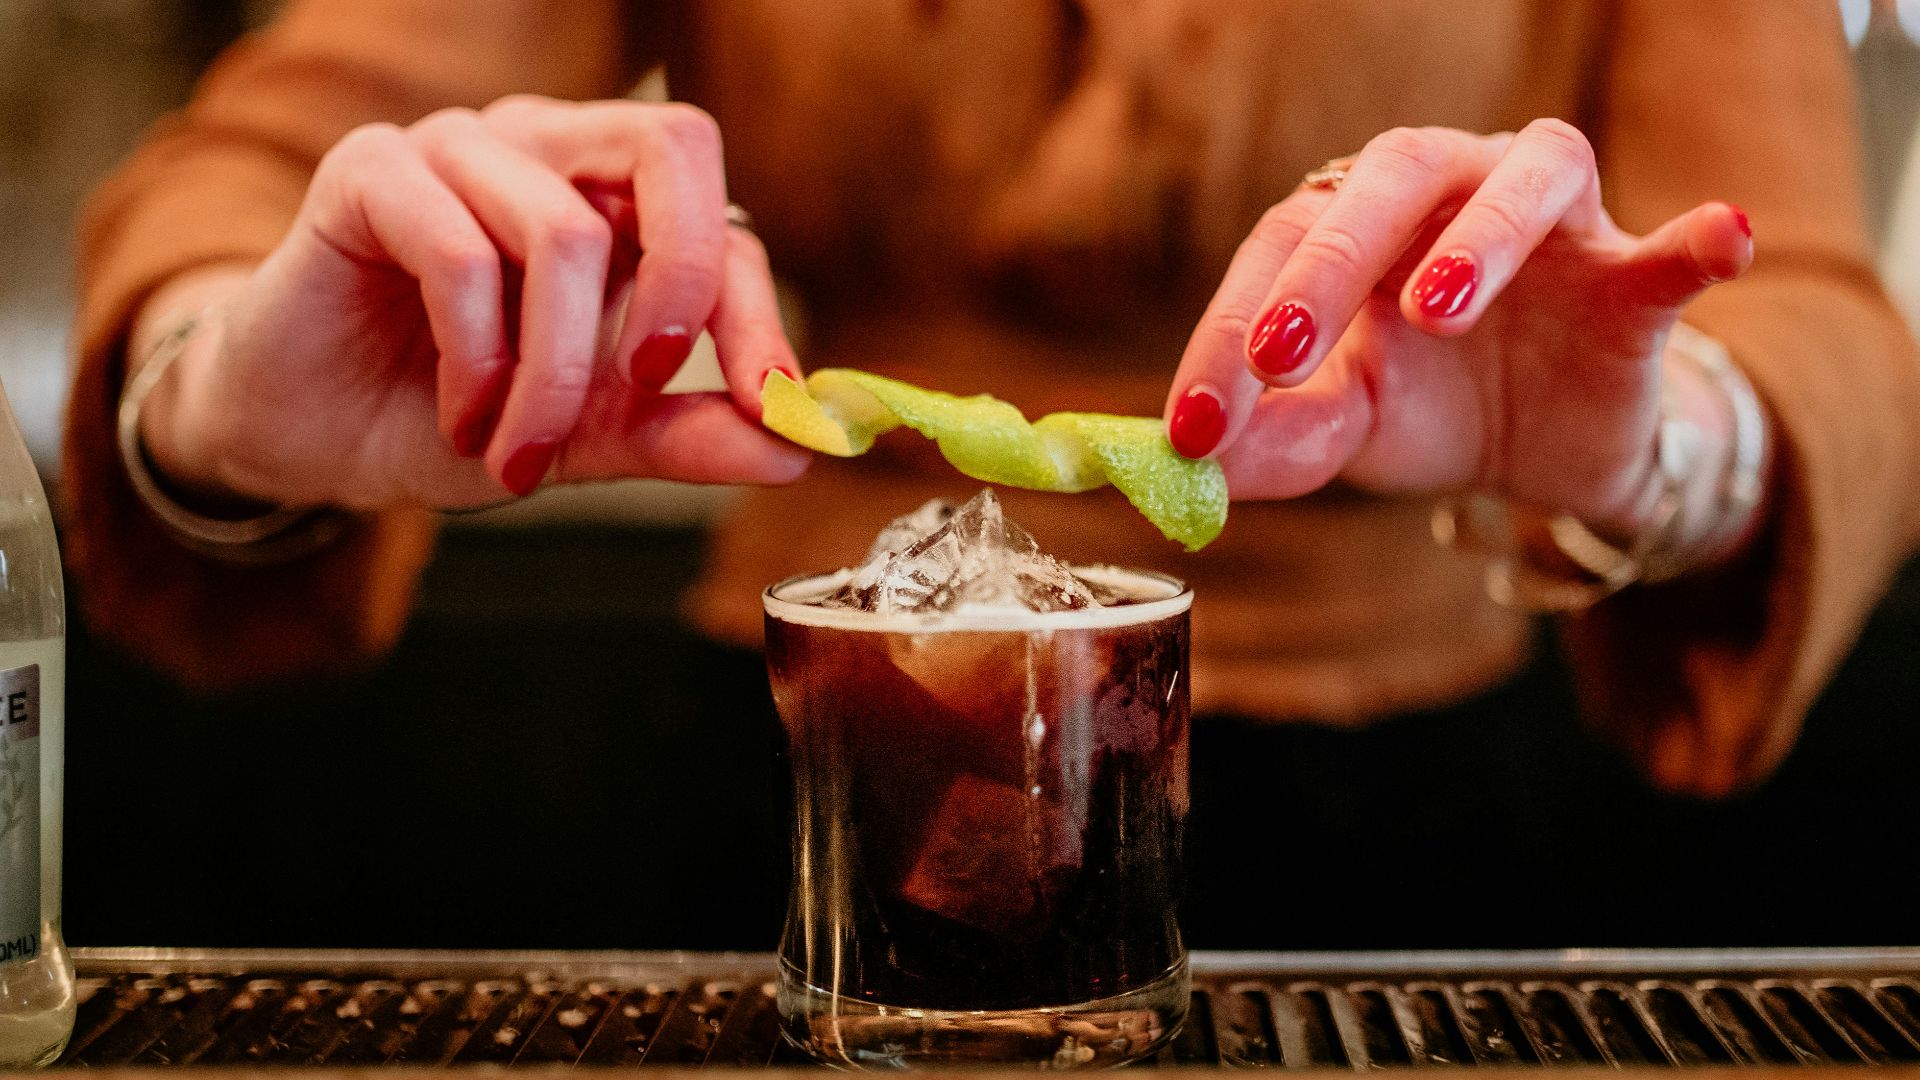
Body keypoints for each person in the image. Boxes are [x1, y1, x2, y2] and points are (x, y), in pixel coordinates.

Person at [65, 0, 1918, 816]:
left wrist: (1670, 436)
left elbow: (1815, 311)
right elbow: (264, 165)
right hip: (810, 765)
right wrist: (214, 380)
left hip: (1422, 796)